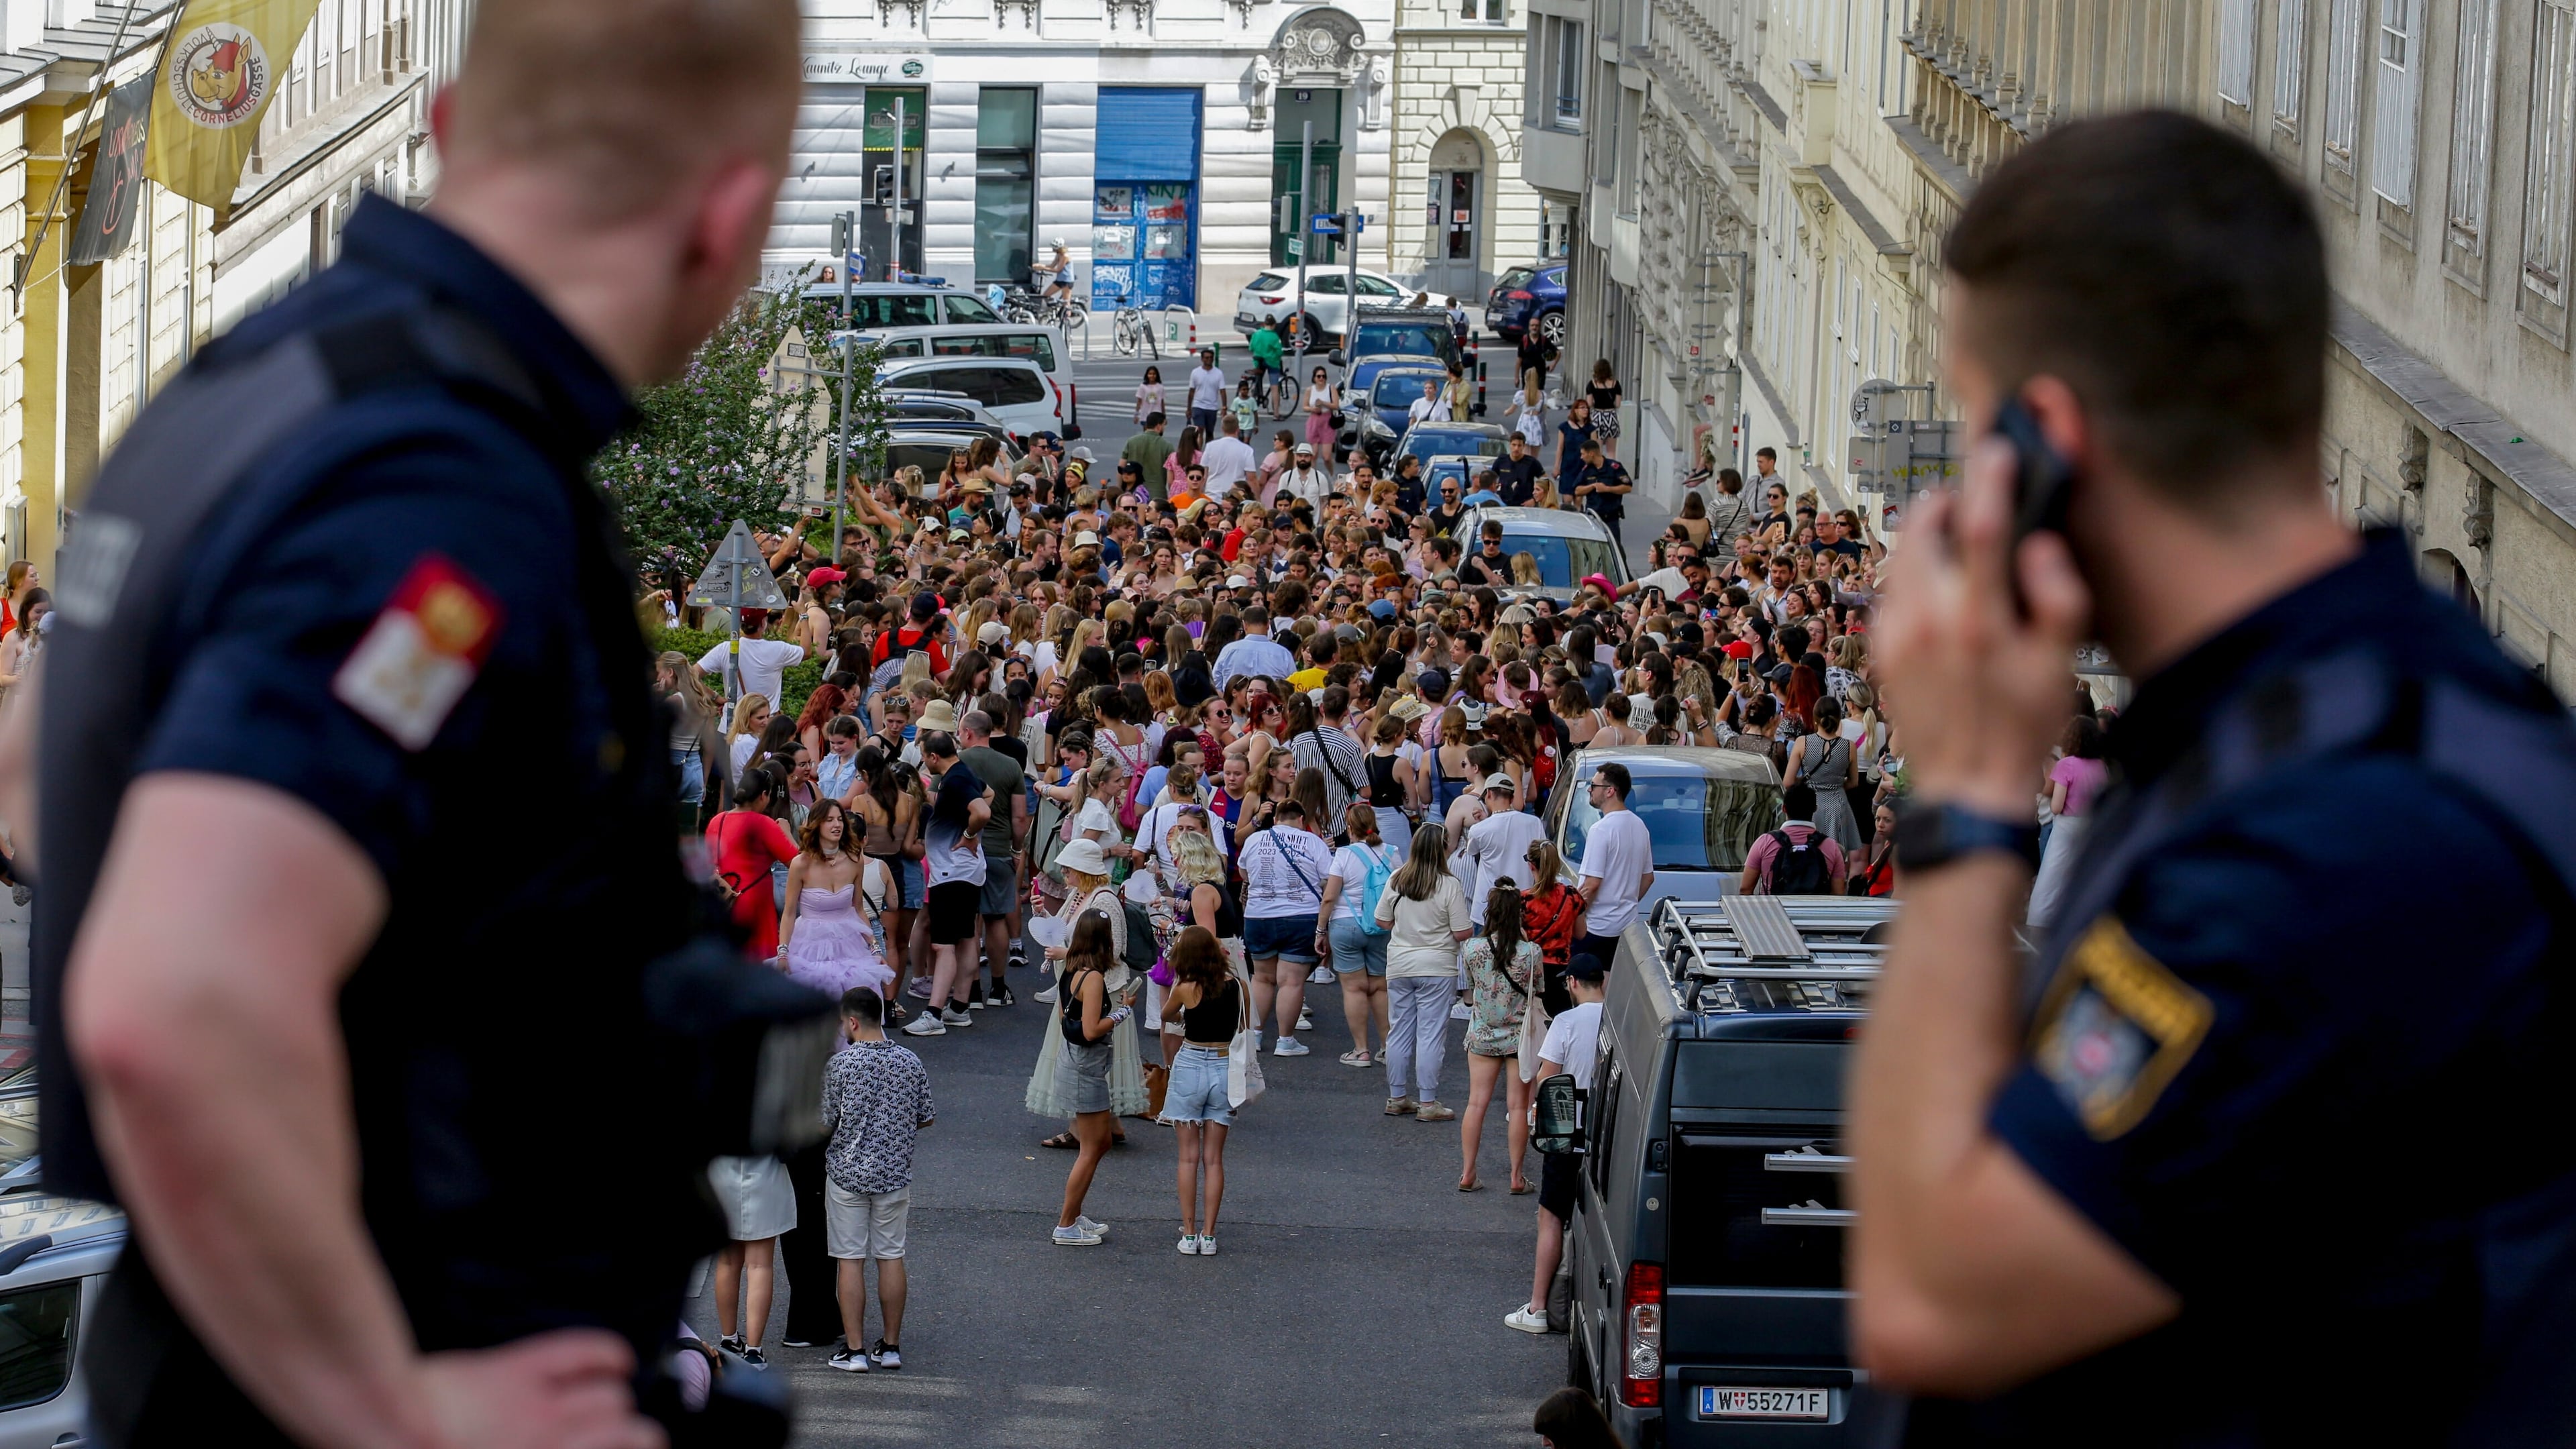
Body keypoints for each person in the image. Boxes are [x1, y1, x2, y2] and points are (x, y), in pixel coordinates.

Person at [1851, 113, 2576, 1447]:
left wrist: (1959, 798)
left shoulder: (2330, 836)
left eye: (1971, 436)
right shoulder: (2345, 720)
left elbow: (1933, 1300)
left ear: (2047, 442)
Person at [819, 987, 933, 1373]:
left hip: (847, 1173)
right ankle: (891, 1346)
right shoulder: (909, 1060)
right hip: (894, 1174)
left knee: (849, 1259)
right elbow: (926, 1115)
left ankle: (854, 1351)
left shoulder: (842, 1064)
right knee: (891, 1256)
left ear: (852, 1022)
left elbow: (824, 1120)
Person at [1505, 952, 1605, 1334]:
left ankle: (1538, 1308)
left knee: (1550, 1217)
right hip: (1609, 1137)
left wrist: (1533, 1118)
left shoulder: (1566, 1021)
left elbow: (1548, 1082)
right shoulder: (1621, 1020)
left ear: (1573, 983)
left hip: (1568, 1138)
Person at [1375, 820, 1471, 1123]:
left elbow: (1382, 921)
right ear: (1443, 849)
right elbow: (1462, 931)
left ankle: (1397, 1096)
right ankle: (1428, 1102)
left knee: (1399, 1030)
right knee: (1431, 1034)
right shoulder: (1449, 885)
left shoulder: (1397, 879)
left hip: (1400, 964)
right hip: (1437, 967)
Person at [1049, 910, 1133, 1247]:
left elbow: (1062, 1015)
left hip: (1075, 1062)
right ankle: (1066, 1224)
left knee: (1101, 1143)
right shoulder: (1095, 977)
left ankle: (1075, 1213)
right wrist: (1122, 1011)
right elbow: (1090, 1029)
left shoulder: (1070, 969)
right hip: (1086, 1067)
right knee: (1092, 1147)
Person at [1157, 926, 1240, 1257]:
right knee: (1214, 1159)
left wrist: (1181, 1011)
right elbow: (1245, 1025)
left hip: (1191, 1063)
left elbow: (1166, 1017)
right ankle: (1210, 1233)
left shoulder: (1185, 988)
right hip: (1224, 1065)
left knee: (1187, 1157)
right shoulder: (1238, 987)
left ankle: (1189, 1233)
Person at [904, 729, 991, 1033]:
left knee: (943, 947)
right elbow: (986, 794)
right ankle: (959, 1008)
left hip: (950, 873)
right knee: (966, 939)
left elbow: (982, 809)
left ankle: (934, 1014)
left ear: (933, 756)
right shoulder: (963, 775)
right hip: (966, 873)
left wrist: (968, 836)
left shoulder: (954, 779)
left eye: (924, 755)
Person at [1458, 881, 1541, 1194]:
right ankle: (1517, 1178)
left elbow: (1473, 985)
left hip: (1482, 1032)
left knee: (1476, 1103)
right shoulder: (1531, 953)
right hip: (1519, 1037)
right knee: (1518, 1107)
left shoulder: (1472, 948)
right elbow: (1539, 991)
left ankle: (1468, 1173)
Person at [1238, 796, 1334, 1056]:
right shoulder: (1313, 841)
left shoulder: (1255, 839)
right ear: (1301, 820)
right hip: (1300, 916)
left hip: (1258, 916)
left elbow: (1244, 873)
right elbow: (1329, 878)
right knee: (1291, 982)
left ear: (1276, 818)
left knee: (1262, 978)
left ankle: (1255, 1036)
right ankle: (1285, 1040)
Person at [777, 799, 894, 1001]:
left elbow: (858, 909)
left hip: (848, 942)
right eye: (829, 820)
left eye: (840, 819)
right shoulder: (801, 864)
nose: (837, 825)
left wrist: (875, 948)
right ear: (817, 824)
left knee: (856, 1002)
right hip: (810, 944)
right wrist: (783, 952)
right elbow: (788, 913)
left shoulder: (854, 860)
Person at [1318, 802, 1400, 1066]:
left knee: (1354, 989)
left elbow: (1329, 898)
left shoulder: (1343, 855)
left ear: (1349, 827)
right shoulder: (1392, 853)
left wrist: (1321, 930)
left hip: (1346, 925)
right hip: (1382, 926)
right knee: (1380, 988)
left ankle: (1361, 1050)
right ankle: (1388, 1048)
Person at [956, 709, 1028, 1008]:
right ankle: (999, 988)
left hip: (962, 849)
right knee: (997, 918)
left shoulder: (958, 762)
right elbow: (1020, 817)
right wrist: (1016, 850)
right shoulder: (1011, 766)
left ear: (969, 733)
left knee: (970, 921)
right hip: (999, 850)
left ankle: (971, 991)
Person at [705, 1148, 794, 1369]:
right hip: (764, 1169)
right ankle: (754, 1350)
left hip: (722, 1169)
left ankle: (728, 1340)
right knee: (760, 1265)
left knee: (727, 1261)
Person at [2024, 712, 2106, 928]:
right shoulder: (2101, 767)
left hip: (2066, 827)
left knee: (2052, 875)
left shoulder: (2066, 765)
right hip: (2091, 826)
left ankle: (2040, 922)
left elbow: (2057, 806)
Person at [709, 773, 802, 959]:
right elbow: (798, 864)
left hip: (724, 899)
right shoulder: (763, 824)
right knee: (760, 960)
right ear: (764, 795)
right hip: (755, 902)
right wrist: (786, 832)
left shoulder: (717, 820)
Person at [1572, 762, 1654, 967]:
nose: (1590, 789)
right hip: (1626, 927)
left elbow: (1591, 884)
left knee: (1586, 987)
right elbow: (1648, 877)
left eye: (1594, 785)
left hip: (1596, 928)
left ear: (1610, 791)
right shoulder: (1640, 826)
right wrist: (1624, 902)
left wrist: (1574, 916)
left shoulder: (1601, 829)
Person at [1739, 783, 1846, 895]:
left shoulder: (1765, 842)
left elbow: (1745, 889)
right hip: (1815, 911)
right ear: (1815, 809)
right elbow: (1838, 894)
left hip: (1774, 911)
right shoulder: (1831, 846)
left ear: (1784, 808)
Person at [700, 607, 809, 709]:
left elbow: (690, 675)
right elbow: (807, 652)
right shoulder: (778, 649)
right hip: (765, 724)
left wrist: (715, 697)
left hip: (733, 722)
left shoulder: (725, 649)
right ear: (763, 623)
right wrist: (803, 615)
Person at [1200, 414, 1259, 502]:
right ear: (1238, 430)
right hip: (1236, 496)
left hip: (1212, 495)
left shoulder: (1210, 447)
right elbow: (1252, 478)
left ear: (1223, 429)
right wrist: (1257, 500)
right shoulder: (1246, 450)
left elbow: (1203, 474)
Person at [1186, 347, 1227, 436]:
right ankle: (1199, 449)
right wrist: (1189, 408)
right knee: (1199, 430)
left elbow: (1222, 391)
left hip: (1212, 407)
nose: (1209, 359)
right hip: (1198, 405)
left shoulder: (1218, 373)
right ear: (1202, 359)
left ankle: (1208, 449)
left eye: (1211, 358)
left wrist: (1224, 407)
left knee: (1209, 432)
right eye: (1207, 358)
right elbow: (1192, 391)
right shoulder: (1195, 372)